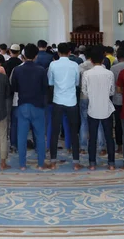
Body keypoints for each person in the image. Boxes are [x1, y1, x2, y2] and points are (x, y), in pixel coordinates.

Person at [11, 43, 49, 170]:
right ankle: (41, 163)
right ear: (36, 56)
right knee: (40, 136)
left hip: (22, 105)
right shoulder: (41, 70)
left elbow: (14, 87)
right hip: (38, 106)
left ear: (23, 55)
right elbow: (45, 89)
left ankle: (22, 164)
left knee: (21, 136)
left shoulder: (17, 69)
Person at [82, 45, 115, 171]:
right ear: (103, 60)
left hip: (92, 108)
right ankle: (111, 163)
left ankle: (92, 163)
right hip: (106, 108)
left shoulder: (87, 74)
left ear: (91, 60)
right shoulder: (109, 73)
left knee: (93, 137)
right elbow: (112, 92)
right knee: (109, 137)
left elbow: (84, 91)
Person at [48, 42, 81, 170]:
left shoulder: (53, 64)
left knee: (55, 132)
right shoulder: (74, 65)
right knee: (74, 132)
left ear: (57, 53)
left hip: (57, 100)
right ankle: (76, 162)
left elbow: (50, 82)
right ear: (69, 52)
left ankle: (53, 162)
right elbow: (77, 82)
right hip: (72, 101)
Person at [79, 46, 105, 155]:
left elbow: (78, 83)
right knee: (99, 122)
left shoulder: (80, 67)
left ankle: (83, 147)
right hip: (97, 97)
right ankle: (101, 147)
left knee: (84, 122)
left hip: (84, 96)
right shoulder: (102, 66)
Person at [111, 48, 124, 154]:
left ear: (117, 57)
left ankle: (120, 146)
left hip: (117, 99)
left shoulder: (114, 68)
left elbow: (113, 84)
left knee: (118, 123)